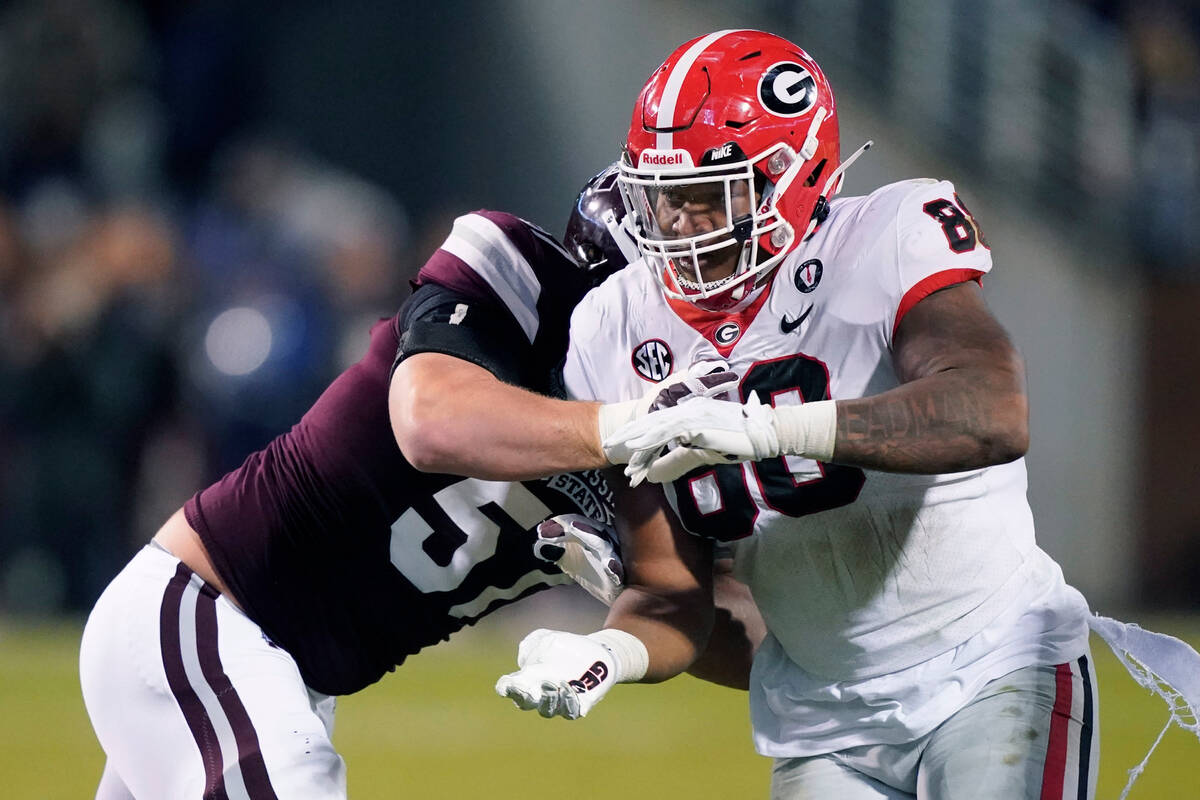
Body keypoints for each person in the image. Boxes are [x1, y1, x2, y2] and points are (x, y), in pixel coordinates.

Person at [494, 29, 1101, 800]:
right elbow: (671, 593)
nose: (680, 225)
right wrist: (610, 651)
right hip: (824, 715)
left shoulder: (888, 234)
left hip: (993, 661)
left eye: (706, 194)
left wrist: (768, 430)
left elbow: (991, 413)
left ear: (791, 175)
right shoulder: (615, 326)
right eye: (662, 197)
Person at [78, 197, 759, 799]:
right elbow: (429, 423)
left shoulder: (674, 416)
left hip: (284, 677)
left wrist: (618, 641)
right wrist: (621, 428)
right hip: (208, 615)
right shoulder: (511, 274)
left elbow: (695, 611)